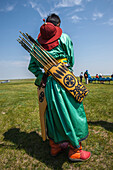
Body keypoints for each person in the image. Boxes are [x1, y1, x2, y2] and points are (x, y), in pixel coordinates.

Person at [28, 13, 91, 162]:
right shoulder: (65, 38)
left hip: (49, 83)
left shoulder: (37, 45)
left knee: (53, 113)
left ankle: (55, 146)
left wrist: (42, 76)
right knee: (73, 112)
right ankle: (75, 150)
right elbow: (71, 60)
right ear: (58, 26)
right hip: (64, 80)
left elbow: (32, 66)